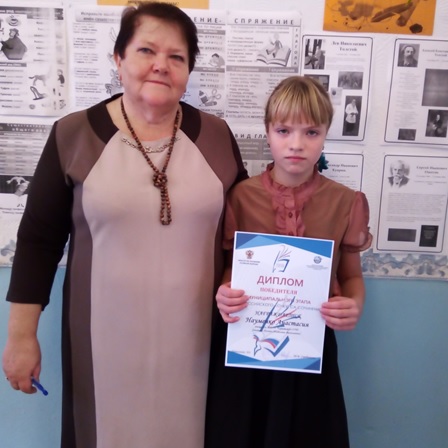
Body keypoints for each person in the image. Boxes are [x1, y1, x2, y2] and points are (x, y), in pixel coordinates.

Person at [2, 2, 247, 448]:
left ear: (189, 70)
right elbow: (38, 241)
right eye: (146, 50)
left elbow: (245, 235)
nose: (161, 65)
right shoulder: (73, 136)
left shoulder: (217, 137)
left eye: (176, 56)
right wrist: (20, 337)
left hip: (198, 344)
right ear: (118, 58)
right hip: (100, 347)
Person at [205, 76, 372, 448]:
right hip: (245, 350)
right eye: (284, 130)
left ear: (325, 135)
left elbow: (351, 276)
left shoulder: (346, 202)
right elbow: (231, 268)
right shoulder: (239, 197)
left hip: (310, 348)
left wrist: (354, 304)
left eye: (311, 132)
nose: (296, 144)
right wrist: (225, 291)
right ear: (268, 132)